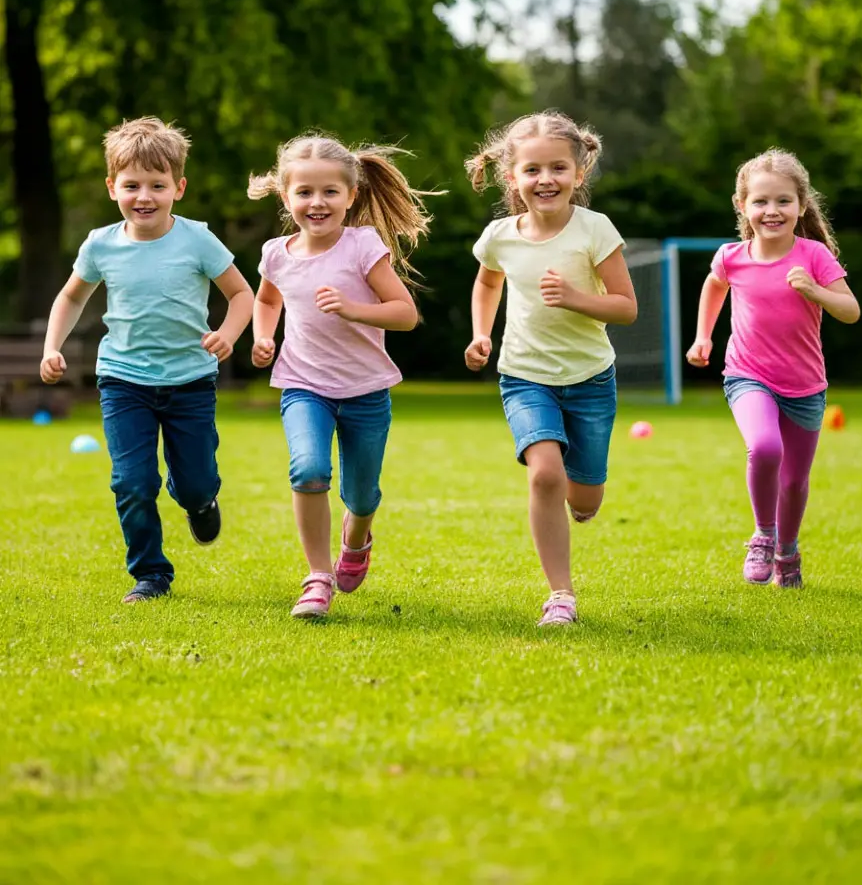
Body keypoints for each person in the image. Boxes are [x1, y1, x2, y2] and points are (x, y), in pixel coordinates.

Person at [40, 117, 254, 603]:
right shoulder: (101, 244)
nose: (144, 196)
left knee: (197, 484)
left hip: (190, 381)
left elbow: (242, 295)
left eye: (157, 185)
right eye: (132, 185)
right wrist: (53, 346)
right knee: (132, 482)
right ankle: (151, 575)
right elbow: (71, 298)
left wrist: (227, 334)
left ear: (178, 187)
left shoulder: (197, 239)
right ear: (112, 186)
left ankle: (197, 500)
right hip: (123, 380)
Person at [464, 111, 637, 627]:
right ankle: (560, 594)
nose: (546, 179)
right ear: (513, 178)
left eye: (558, 168)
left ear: (578, 174)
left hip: (589, 380)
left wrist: (578, 299)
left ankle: (583, 499)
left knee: (584, 496)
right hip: (524, 376)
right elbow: (487, 284)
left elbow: (626, 306)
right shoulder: (499, 236)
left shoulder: (595, 230)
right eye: (533, 170)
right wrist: (480, 333)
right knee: (544, 476)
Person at [248, 134, 432, 620]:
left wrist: (353, 309)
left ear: (351, 197)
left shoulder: (362, 246)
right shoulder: (276, 253)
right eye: (304, 192)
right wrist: (264, 337)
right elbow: (267, 301)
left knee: (362, 493)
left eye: (330, 192)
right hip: (303, 385)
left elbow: (405, 314)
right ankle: (317, 577)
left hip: (366, 390)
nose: (317, 202)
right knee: (307, 470)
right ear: (285, 196)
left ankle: (356, 536)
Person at [687, 148, 860, 588]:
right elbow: (713, 288)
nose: (772, 210)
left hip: (804, 385)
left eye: (783, 201)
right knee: (765, 449)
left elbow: (851, 311)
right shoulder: (732, 256)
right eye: (760, 201)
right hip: (747, 374)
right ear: (742, 205)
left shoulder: (815, 256)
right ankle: (764, 535)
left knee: (795, 482)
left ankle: (787, 551)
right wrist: (703, 336)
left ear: (801, 206)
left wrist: (815, 292)